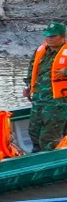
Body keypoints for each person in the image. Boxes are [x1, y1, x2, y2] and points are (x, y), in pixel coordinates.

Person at [24, 21, 67, 151]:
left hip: (58, 102)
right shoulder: (41, 50)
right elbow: (32, 69)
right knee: (33, 131)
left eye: (53, 36)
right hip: (38, 99)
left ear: (63, 36)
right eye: (47, 35)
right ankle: (36, 158)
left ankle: (50, 163)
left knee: (49, 137)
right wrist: (28, 87)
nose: (49, 38)